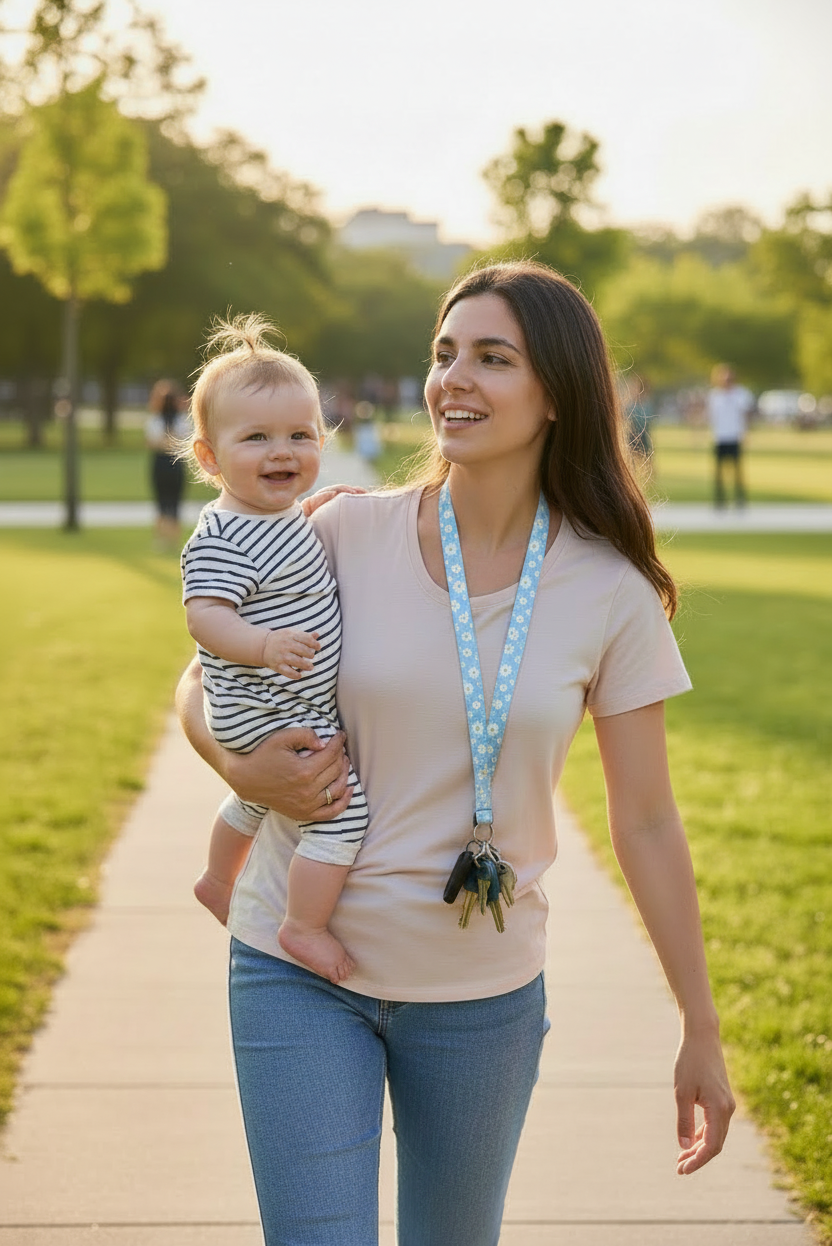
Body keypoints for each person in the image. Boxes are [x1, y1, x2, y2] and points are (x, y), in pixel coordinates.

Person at [177, 261, 735, 1246]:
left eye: (491, 358)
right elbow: (197, 682)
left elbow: (645, 817)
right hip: (296, 970)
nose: (452, 380)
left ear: (557, 392)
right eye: (443, 355)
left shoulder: (609, 592)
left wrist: (699, 1026)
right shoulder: (341, 528)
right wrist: (235, 767)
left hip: (481, 998)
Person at [180, 315, 369, 984]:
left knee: (256, 800)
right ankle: (304, 925)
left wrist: (318, 506)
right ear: (209, 458)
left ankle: (215, 878)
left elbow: (286, 545)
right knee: (342, 809)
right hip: (268, 702)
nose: (280, 451)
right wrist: (261, 645)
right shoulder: (222, 536)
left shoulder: (275, 515)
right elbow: (204, 616)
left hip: (273, 698)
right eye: (256, 437)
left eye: (299, 435)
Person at [145, 379, 191, 547]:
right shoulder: (181, 421)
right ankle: (172, 539)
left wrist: (164, 442)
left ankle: (163, 539)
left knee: (163, 501)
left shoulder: (155, 421)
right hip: (175, 462)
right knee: (173, 502)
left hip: (161, 462)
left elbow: (152, 443)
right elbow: (182, 442)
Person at [707, 364, 754, 507]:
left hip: (734, 437)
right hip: (720, 437)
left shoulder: (741, 394)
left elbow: (747, 414)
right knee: (718, 473)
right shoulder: (715, 396)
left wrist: (746, 432)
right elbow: (710, 416)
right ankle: (720, 501)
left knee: (737, 472)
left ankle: (740, 499)